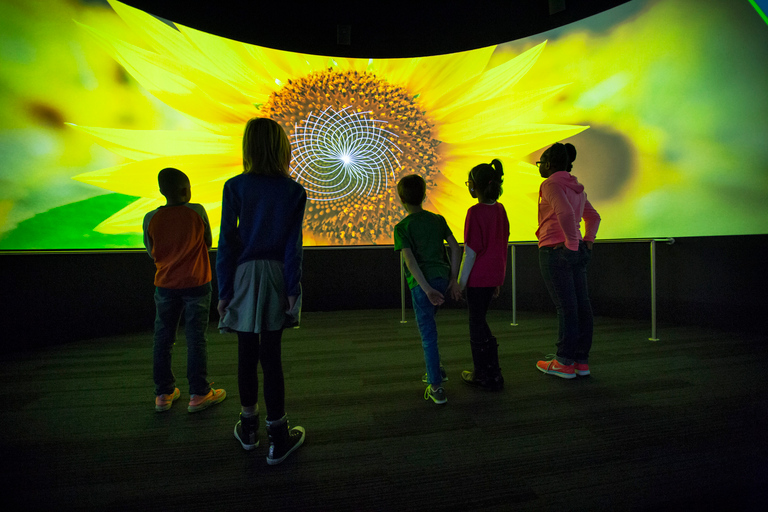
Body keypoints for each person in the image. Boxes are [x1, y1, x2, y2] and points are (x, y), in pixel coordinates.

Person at [217, 117, 307, 465]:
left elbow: (226, 243)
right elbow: (292, 246)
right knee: (272, 357)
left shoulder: (234, 186)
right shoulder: (293, 191)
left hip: (241, 275)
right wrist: (292, 287)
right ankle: (279, 436)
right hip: (275, 275)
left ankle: (249, 427)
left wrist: (224, 290)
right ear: (282, 148)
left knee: (245, 353)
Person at [143, 167, 226, 413]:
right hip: (197, 282)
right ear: (185, 190)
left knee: (163, 338)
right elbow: (209, 242)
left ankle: (163, 394)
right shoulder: (197, 211)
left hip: (165, 284)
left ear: (161, 191)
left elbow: (151, 250)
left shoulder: (150, 217)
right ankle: (199, 393)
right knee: (196, 338)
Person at [394, 175, 462, 405]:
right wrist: (454, 278)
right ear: (424, 195)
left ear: (401, 199)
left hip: (422, 286)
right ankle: (437, 369)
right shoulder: (437, 220)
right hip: (442, 278)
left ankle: (436, 386)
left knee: (428, 335)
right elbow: (455, 247)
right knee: (430, 328)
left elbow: (411, 262)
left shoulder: (402, 227)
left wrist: (426, 289)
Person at [534, 142, 601, 379]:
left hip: (556, 251)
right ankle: (580, 361)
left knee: (566, 308)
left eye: (540, 163)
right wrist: (587, 242)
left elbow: (565, 213)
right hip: (576, 249)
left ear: (550, 164)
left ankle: (563, 361)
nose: (539, 167)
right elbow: (593, 217)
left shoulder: (551, 183)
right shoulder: (576, 187)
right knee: (582, 306)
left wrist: (572, 246)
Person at [457, 159, 509, 391]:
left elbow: (470, 253)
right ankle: (494, 371)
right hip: (493, 275)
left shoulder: (475, 212)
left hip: (477, 279)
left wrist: (460, 283)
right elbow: (502, 245)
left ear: (473, 187)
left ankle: (482, 373)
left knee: (475, 323)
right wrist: (498, 279)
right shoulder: (500, 209)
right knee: (481, 321)